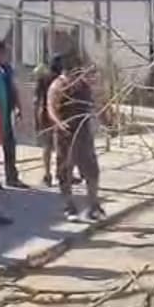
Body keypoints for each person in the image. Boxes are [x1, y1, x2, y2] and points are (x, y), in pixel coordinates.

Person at [48, 49, 105, 224]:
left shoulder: (83, 85)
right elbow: (50, 107)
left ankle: (93, 205)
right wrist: (59, 123)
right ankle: (69, 206)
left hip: (83, 134)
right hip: (65, 135)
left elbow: (94, 105)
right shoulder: (58, 85)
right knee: (65, 171)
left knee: (91, 170)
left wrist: (105, 118)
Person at [0, 39, 25, 188]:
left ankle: (11, 176)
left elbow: (13, 87)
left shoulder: (5, 69)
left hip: (6, 111)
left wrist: (18, 106)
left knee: (9, 145)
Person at [35, 54, 64, 187]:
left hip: (45, 114)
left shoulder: (43, 78)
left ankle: (47, 175)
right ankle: (60, 172)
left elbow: (36, 98)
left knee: (47, 146)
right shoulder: (61, 80)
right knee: (60, 146)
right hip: (59, 114)